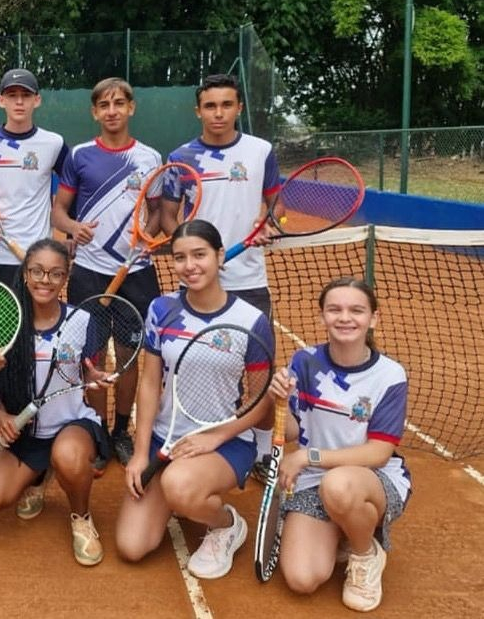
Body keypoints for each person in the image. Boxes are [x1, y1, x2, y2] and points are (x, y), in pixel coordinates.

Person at [116, 220, 274, 579]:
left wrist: (215, 437)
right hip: (166, 437)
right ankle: (183, 493)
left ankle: (226, 524)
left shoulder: (252, 321)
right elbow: (149, 381)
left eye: (200, 254)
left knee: (179, 487)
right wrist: (141, 453)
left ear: (220, 256)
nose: (190, 265)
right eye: (180, 257)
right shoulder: (161, 309)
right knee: (131, 546)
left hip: (226, 442)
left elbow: (260, 399)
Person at [161, 73, 283, 476]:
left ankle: (262, 453)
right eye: (210, 106)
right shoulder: (179, 156)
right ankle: (192, 435)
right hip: (194, 282)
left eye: (226, 105)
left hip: (248, 282)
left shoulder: (260, 151)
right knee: (194, 368)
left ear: (238, 108)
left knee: (257, 380)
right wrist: (194, 255)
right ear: (198, 110)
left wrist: (269, 224)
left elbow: (273, 206)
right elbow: (168, 217)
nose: (218, 113)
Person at [267, 277, 410, 613]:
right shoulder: (305, 361)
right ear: (322, 317)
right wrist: (278, 401)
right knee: (303, 579)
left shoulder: (390, 375)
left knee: (339, 484)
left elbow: (378, 452)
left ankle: (365, 554)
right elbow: (288, 430)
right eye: (335, 309)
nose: (345, 318)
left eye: (356, 310)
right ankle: (343, 527)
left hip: (369, 478)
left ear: (374, 318)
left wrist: (308, 456)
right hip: (314, 480)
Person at [0, 238, 112, 566]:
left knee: (68, 455)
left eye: (55, 274)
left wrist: (95, 384)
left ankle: (81, 517)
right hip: (24, 432)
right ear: (25, 274)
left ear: (66, 278)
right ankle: (41, 473)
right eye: (37, 271)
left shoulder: (82, 321)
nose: (44, 281)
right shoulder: (5, 322)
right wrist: (1, 413)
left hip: (70, 426)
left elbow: (92, 372)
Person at [51, 77, 162, 467]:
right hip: (88, 274)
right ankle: (97, 428)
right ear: (94, 112)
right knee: (92, 357)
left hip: (138, 273)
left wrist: (156, 233)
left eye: (119, 103)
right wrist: (71, 227)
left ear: (131, 108)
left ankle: (120, 431)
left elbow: (161, 214)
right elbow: (59, 211)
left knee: (131, 357)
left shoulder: (150, 158)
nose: (112, 110)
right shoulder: (79, 155)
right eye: (104, 105)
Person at [0, 67, 68, 473]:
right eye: (11, 94)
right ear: (1, 101)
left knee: (32, 343)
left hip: (37, 264)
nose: (19, 101)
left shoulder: (55, 144)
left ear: (37, 100)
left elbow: (71, 190)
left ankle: (35, 425)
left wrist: (68, 233)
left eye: (26, 94)